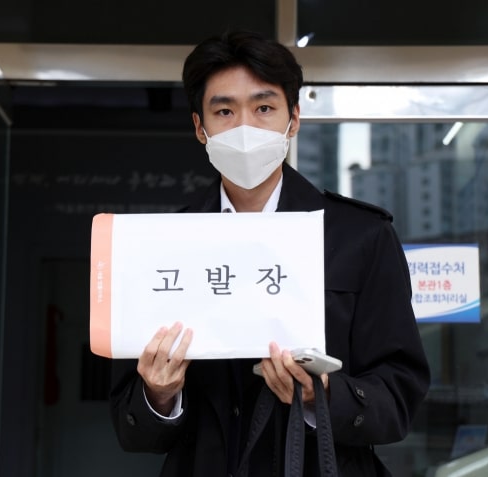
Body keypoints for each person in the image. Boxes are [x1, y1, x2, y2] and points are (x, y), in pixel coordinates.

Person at [110, 30, 430, 476]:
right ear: (200, 127)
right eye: (224, 111)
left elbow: (399, 396)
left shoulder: (360, 236)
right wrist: (159, 394)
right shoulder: (166, 244)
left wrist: (323, 396)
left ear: (293, 119)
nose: (245, 128)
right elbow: (131, 430)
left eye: (264, 108)